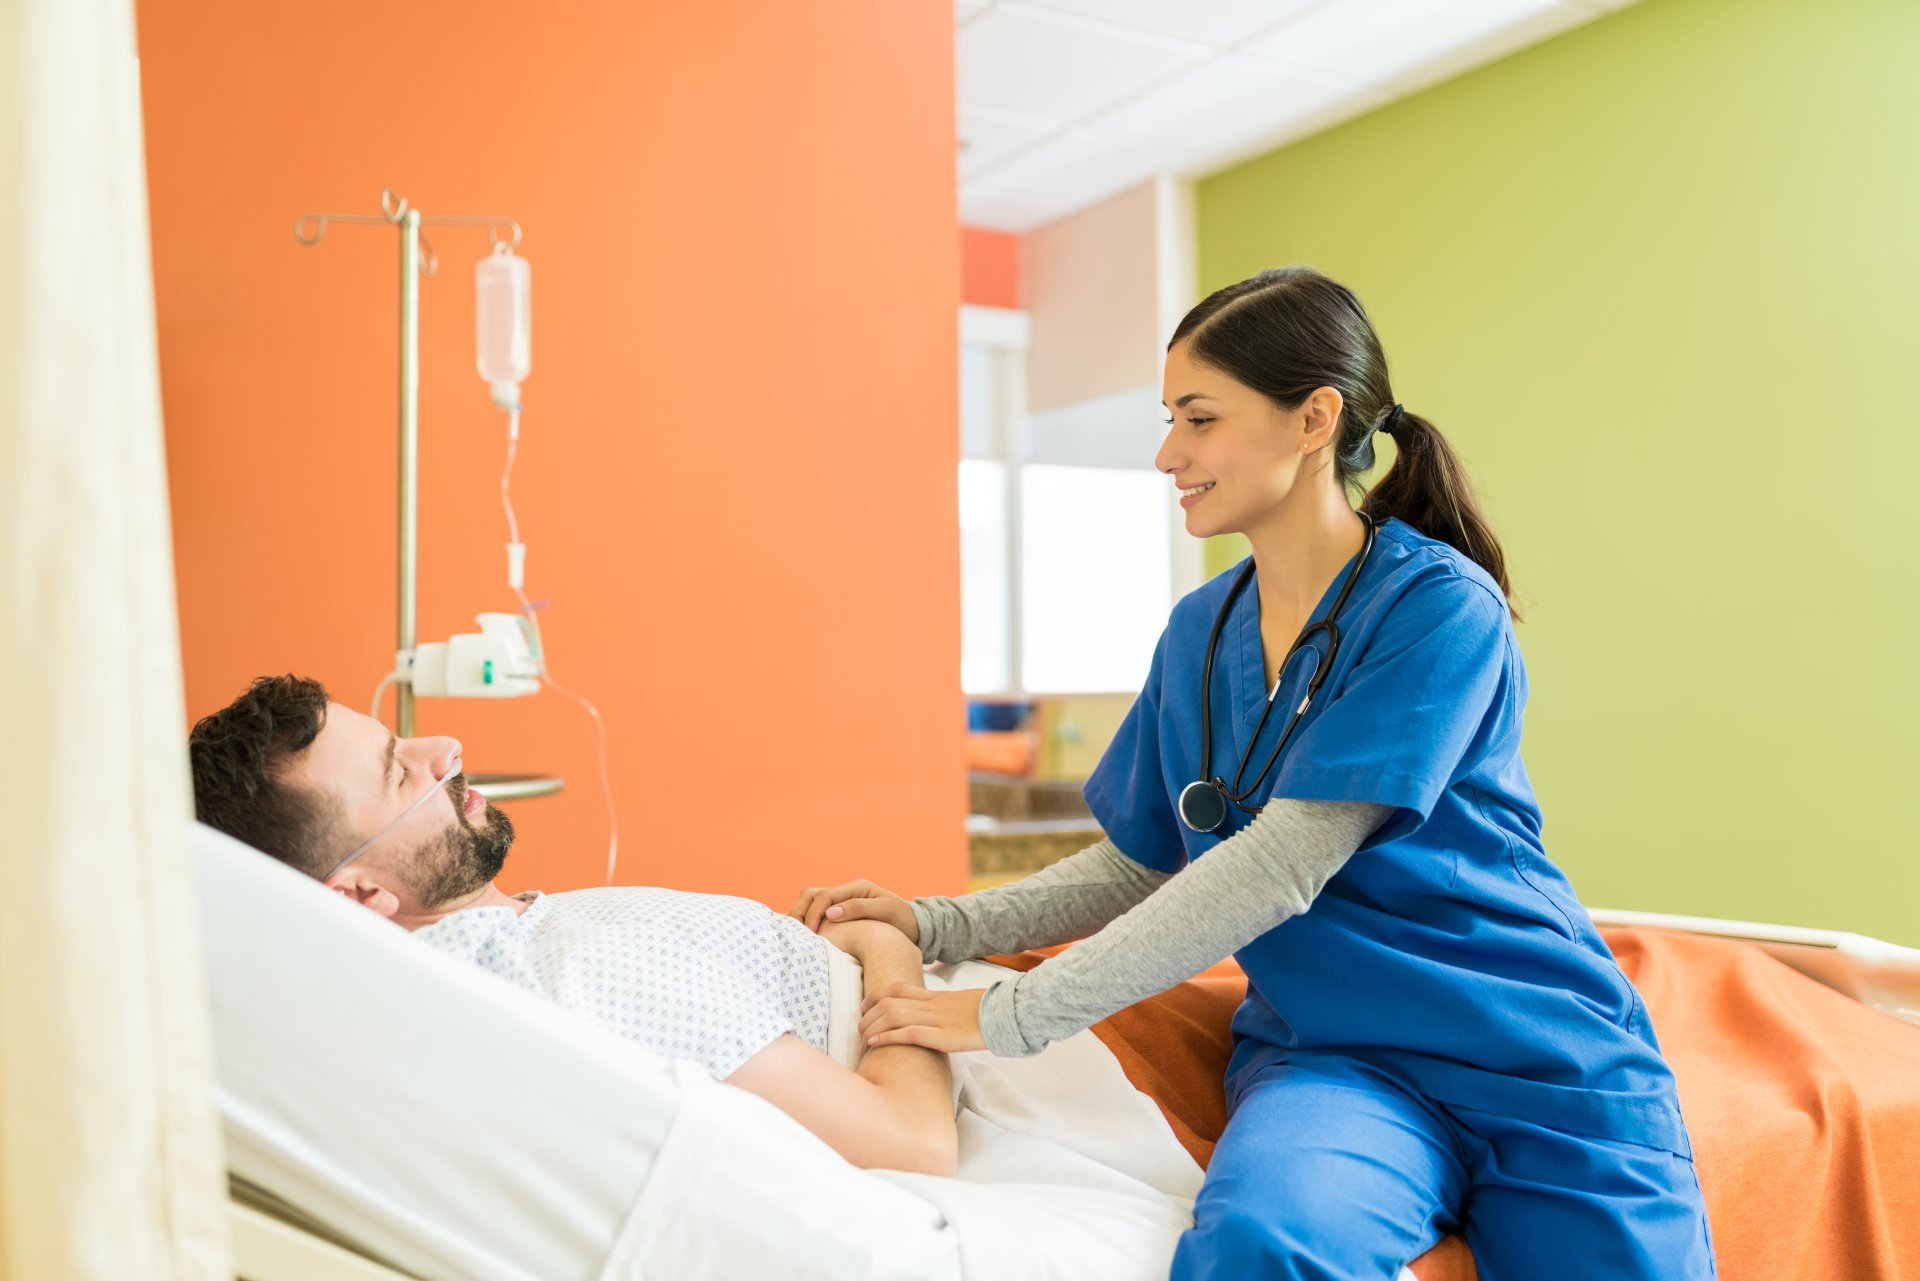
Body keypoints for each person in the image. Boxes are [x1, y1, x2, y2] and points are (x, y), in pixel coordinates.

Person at [792, 266, 1717, 1279]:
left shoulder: (1438, 610)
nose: (1166, 454)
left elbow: (1281, 863)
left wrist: (1009, 1016)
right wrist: (938, 924)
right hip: (1340, 1063)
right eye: (1168, 420)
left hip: (1532, 1049)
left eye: (1198, 419)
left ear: (1312, 419)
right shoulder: (1201, 633)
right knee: (1261, 1245)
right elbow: (1145, 862)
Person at [187, 675, 956, 1177]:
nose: (445, 749)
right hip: (939, 1038)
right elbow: (913, 1143)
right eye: (399, 770)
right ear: (358, 892)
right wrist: (887, 948)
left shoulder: (525, 940)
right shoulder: (589, 975)